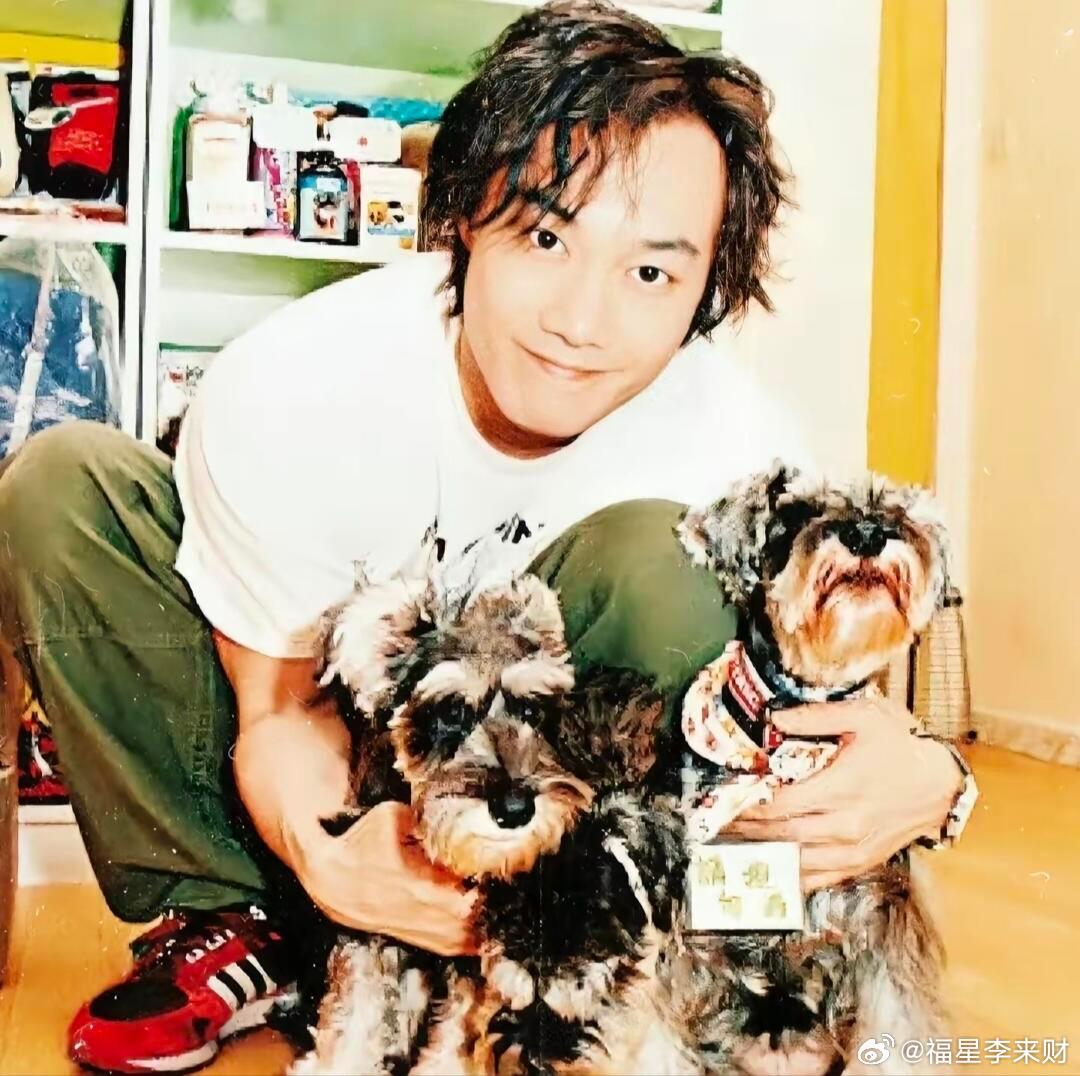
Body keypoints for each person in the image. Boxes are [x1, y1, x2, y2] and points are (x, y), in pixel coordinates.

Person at [0, 2, 967, 1072]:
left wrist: (931, 779)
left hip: (566, 844)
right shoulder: (289, 383)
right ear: (463, 216)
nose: (581, 321)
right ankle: (236, 921)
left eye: (652, 272)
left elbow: (807, 711)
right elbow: (281, 710)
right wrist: (333, 861)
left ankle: (593, 954)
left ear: (708, 291)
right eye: (547, 237)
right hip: (321, 782)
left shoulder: (736, 446)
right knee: (61, 487)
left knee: (669, 561)